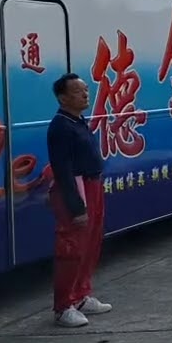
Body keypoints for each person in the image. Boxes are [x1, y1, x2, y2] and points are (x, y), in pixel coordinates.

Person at [46, 72, 112, 328]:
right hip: (76, 188)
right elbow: (62, 170)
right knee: (72, 248)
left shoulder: (77, 121)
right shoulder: (60, 126)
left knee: (91, 244)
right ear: (63, 98)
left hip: (92, 184)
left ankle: (81, 295)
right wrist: (77, 206)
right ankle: (63, 307)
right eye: (78, 92)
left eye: (85, 90)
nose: (85, 94)